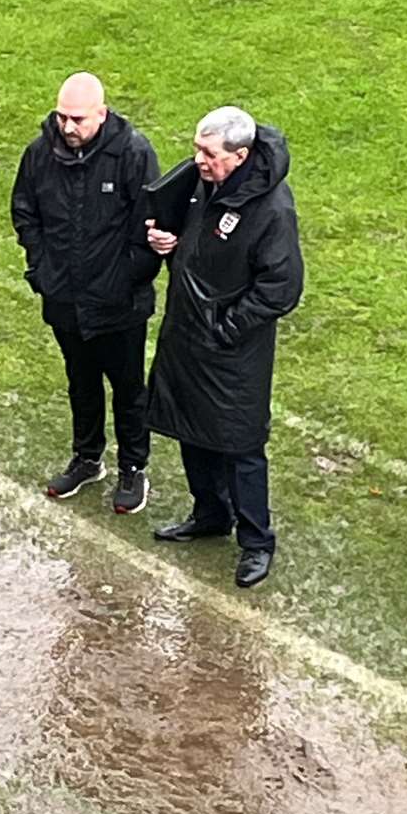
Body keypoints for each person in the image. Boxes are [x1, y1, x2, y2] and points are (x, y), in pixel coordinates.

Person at [145, 107, 304, 589]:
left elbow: (282, 287)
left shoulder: (272, 209)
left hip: (233, 351)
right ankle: (210, 514)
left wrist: (226, 326)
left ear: (240, 156)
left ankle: (257, 541)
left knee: (241, 446)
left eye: (208, 153)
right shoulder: (204, 182)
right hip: (188, 336)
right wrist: (166, 242)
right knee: (192, 429)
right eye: (197, 148)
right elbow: (194, 239)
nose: (197, 160)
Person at [11, 71, 163, 513]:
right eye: (62, 118)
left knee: (128, 386)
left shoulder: (133, 153)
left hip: (120, 304)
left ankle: (133, 467)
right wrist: (41, 266)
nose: (68, 127)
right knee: (81, 381)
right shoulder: (41, 153)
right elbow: (25, 210)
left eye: (77, 118)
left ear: (102, 113)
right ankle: (87, 456)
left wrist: (130, 275)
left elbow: (151, 220)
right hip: (64, 298)